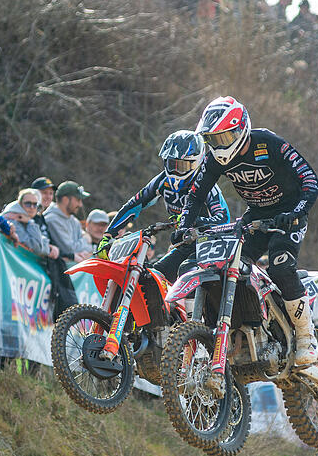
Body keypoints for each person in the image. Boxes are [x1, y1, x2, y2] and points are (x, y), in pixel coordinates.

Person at [173, 96, 318, 365]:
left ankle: (305, 335)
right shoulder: (215, 159)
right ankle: (240, 331)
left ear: (242, 128)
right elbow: (195, 195)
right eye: (213, 140)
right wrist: (184, 226)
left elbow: (310, 179)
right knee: (226, 267)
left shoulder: (269, 143)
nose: (220, 145)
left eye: (225, 137)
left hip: (287, 215)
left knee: (280, 267)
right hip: (255, 217)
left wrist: (297, 212)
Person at [100, 130, 230, 280]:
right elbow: (134, 204)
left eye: (181, 165)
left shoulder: (206, 183)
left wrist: (194, 221)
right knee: (154, 278)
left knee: (187, 274)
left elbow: (223, 218)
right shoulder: (162, 180)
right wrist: (109, 234)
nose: (175, 170)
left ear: (197, 162)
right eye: (171, 163)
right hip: (184, 243)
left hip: (209, 245)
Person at [44, 181, 93, 317]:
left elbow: (87, 250)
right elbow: (69, 248)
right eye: (77, 200)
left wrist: (83, 244)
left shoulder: (74, 221)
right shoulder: (52, 219)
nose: (80, 204)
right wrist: (86, 238)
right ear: (66, 199)